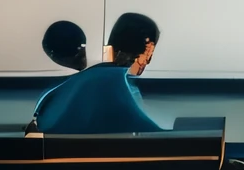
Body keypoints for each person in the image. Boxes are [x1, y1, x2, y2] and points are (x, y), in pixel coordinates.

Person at [31, 11, 165, 133]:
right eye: (149, 53)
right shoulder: (116, 83)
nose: (148, 61)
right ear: (143, 53)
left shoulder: (62, 88)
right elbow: (149, 134)